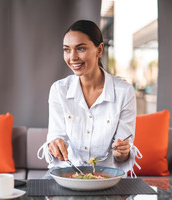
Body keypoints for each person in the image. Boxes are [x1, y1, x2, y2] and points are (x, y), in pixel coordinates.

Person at [38, 20, 141, 177]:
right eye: (67, 50)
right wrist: (55, 145)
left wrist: (122, 152)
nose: (72, 57)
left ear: (99, 50)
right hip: (68, 174)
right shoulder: (59, 90)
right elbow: (56, 137)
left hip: (107, 176)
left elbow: (122, 155)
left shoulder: (124, 92)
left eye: (80, 48)